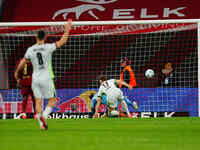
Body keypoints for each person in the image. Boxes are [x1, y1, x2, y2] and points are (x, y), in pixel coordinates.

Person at [15, 19, 72, 130]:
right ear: (45, 37)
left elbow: (22, 64)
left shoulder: (30, 50)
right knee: (52, 100)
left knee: (38, 101)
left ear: (36, 37)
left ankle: (42, 125)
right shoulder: (48, 47)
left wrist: (17, 73)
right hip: (46, 77)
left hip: (35, 78)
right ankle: (44, 117)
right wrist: (67, 30)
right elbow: (62, 42)